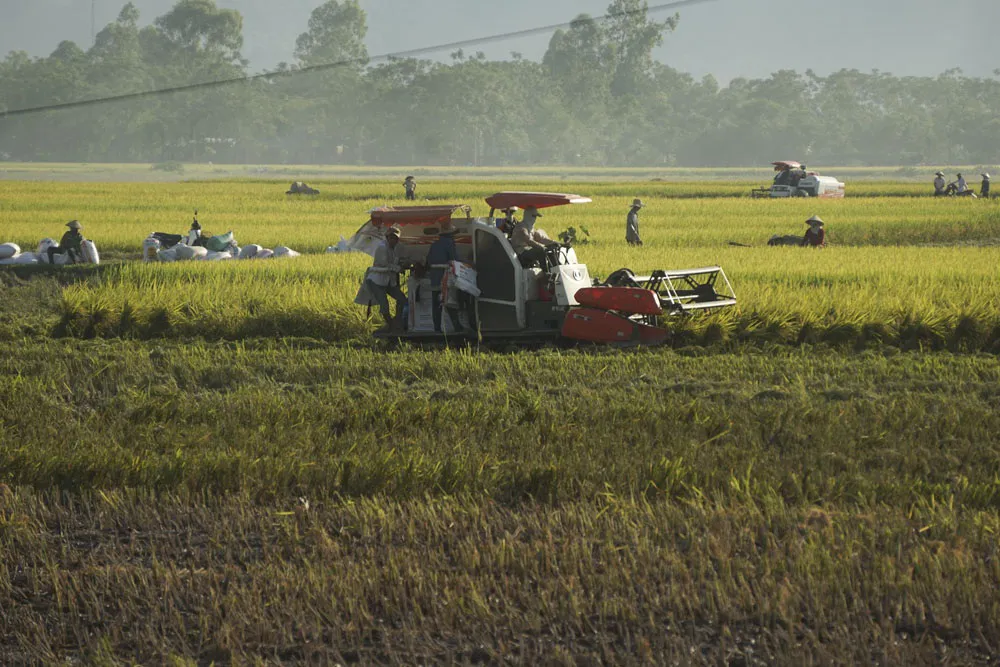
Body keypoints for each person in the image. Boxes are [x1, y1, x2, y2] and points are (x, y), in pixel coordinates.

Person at [365, 225, 407, 331]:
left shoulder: (393, 249)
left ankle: (397, 321)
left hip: (387, 281)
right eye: (391, 238)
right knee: (384, 304)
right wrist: (398, 268)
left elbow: (392, 263)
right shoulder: (382, 248)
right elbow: (385, 265)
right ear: (387, 237)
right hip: (376, 281)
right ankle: (392, 326)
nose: (394, 240)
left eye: (396, 238)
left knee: (402, 299)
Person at [426, 220, 463, 334]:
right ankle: (457, 327)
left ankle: (437, 328)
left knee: (436, 304)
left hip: (434, 278)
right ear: (450, 235)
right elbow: (454, 260)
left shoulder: (434, 245)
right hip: (445, 279)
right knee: (449, 301)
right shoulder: (449, 244)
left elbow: (428, 262)